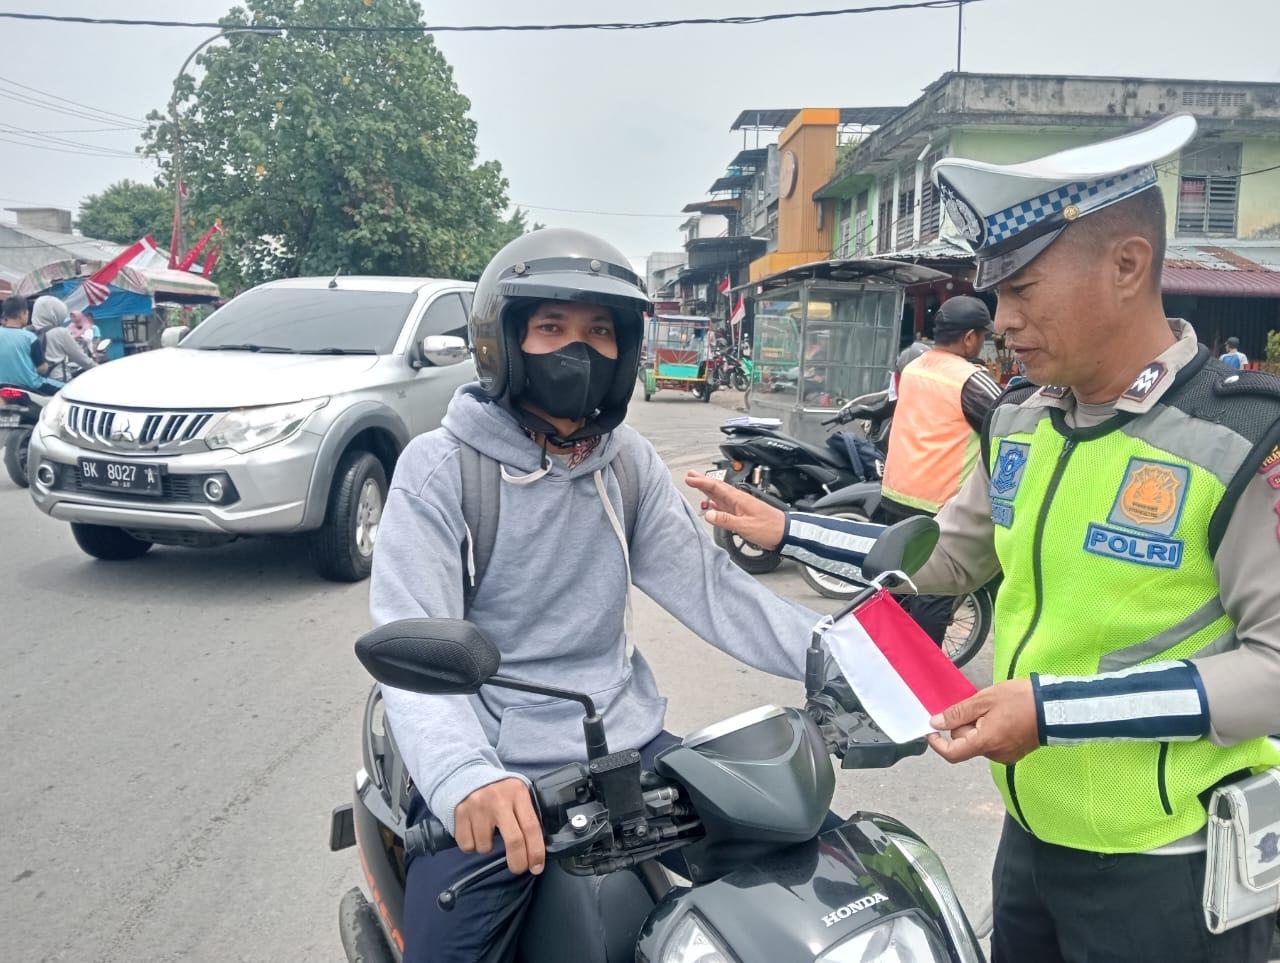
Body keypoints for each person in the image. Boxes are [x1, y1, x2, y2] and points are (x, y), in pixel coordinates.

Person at [689, 114, 1280, 961]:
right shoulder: (1022, 422)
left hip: (1168, 867)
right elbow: (951, 556)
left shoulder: (1243, 437)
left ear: (1127, 265)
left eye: (1023, 290)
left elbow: (1273, 667)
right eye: (997, 295)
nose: (1000, 321)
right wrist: (791, 528)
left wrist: (1052, 712)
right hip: (1031, 847)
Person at [370, 228, 833, 963]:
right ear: (504, 341)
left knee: (812, 864)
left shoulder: (627, 465)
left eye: (599, 332)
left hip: (627, 748)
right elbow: (412, 647)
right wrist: (467, 778)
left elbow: (713, 591)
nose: (576, 351)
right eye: (551, 327)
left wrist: (833, 656)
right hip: (502, 767)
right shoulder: (442, 470)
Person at [879, 296, 1001, 643]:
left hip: (896, 494)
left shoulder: (916, 367)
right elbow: (1007, 420)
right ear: (969, 338)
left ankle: (886, 659)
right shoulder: (970, 379)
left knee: (897, 587)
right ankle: (919, 678)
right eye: (982, 336)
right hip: (938, 502)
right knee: (934, 593)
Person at [29, 296, 96, 382]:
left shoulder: (26, 332)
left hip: (33, 381)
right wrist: (99, 369)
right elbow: (82, 359)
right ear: (55, 313)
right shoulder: (60, 332)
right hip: (58, 381)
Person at [0, 295, 55, 393]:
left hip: (2, 387)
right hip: (30, 387)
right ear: (22, 314)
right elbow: (41, 369)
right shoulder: (30, 337)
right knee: (64, 389)